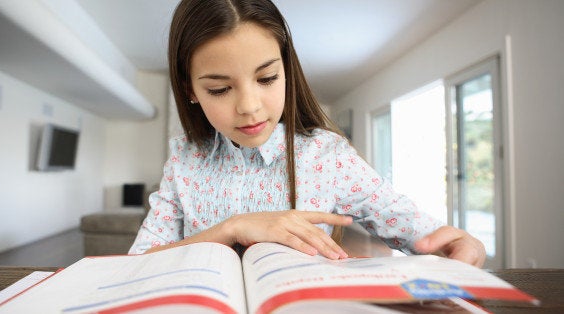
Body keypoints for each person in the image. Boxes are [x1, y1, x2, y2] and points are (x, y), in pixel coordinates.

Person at [129, 0, 486, 267]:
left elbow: (419, 230)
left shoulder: (325, 156)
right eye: (220, 89)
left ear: (286, 70)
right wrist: (232, 228)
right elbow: (137, 263)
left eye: (267, 78)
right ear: (190, 90)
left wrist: (459, 243)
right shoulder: (184, 160)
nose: (250, 106)